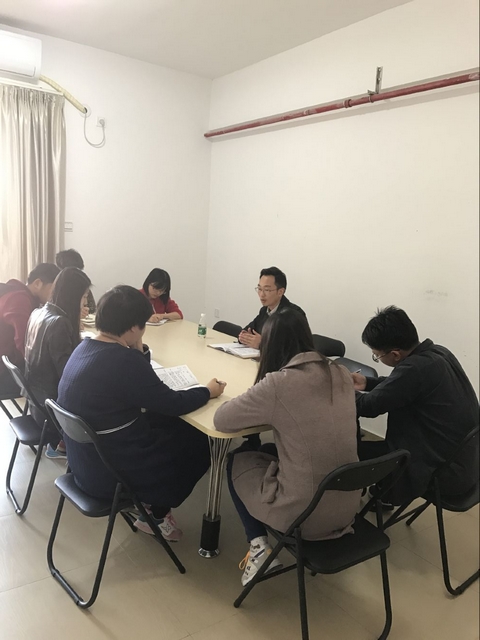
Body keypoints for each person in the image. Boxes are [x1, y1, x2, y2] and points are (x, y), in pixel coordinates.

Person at [57, 285, 225, 540]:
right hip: (110, 475)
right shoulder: (123, 361)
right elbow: (172, 403)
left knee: (166, 421)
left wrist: (137, 349)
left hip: (83, 464)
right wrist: (207, 391)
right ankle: (156, 514)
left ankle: (151, 506)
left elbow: (144, 390)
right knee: (202, 441)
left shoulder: (84, 347)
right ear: (134, 327)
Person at [214, 308, 359, 586]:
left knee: (237, 458)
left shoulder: (280, 383)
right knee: (271, 451)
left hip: (304, 515)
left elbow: (222, 420)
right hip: (347, 506)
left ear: (270, 343)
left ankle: (258, 547)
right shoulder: (340, 372)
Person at [354, 306, 479, 506]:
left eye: (377, 355)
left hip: (444, 474)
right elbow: (402, 387)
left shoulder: (414, 369)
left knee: (350, 452)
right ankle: (384, 492)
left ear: (395, 354)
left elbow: (368, 407)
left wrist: (339, 388)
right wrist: (367, 383)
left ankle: (375, 495)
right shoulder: (437, 353)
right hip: (466, 464)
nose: (377, 358)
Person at [25, 267, 92, 458]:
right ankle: (64, 444)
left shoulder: (39, 312)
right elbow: (69, 375)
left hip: (35, 401)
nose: (85, 302)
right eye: (84, 297)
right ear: (73, 296)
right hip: (52, 410)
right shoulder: (59, 323)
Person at [0, 263, 60, 396]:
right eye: (54, 289)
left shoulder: (17, 293)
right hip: (4, 372)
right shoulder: (19, 299)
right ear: (37, 283)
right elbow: (23, 342)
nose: (55, 295)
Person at [238, 267, 306, 349]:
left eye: (267, 290)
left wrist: (263, 344)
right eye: (259, 289)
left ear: (280, 292)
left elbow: (294, 348)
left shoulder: (294, 314)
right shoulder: (264, 311)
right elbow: (246, 331)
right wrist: (244, 337)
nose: (261, 294)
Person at [56, 248, 96, 314]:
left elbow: (92, 309)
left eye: (79, 271)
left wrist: (85, 310)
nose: (77, 275)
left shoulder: (82, 285)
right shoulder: (54, 288)